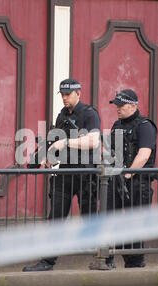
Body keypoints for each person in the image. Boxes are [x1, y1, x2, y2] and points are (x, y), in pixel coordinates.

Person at [23, 78, 101, 272]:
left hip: (86, 173)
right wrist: (46, 159)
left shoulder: (90, 113)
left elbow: (93, 141)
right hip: (65, 173)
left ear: (78, 93)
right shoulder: (62, 115)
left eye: (68, 94)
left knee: (91, 219)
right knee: (55, 219)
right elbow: (55, 143)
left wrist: (65, 142)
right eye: (62, 94)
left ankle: (105, 259)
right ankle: (47, 262)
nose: (65, 98)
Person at [105, 89, 158, 268]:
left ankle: (136, 264)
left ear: (134, 105)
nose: (118, 108)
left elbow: (143, 155)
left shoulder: (145, 126)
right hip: (117, 182)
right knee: (110, 221)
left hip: (137, 184)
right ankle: (108, 259)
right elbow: (110, 152)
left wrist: (128, 174)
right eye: (116, 105)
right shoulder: (116, 125)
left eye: (121, 105)